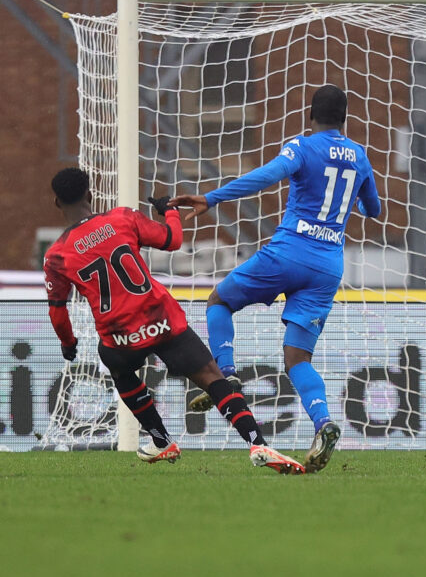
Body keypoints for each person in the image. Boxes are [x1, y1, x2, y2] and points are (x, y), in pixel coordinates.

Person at [170, 84, 381, 473]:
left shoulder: (302, 147)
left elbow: (266, 176)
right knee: (298, 358)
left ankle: (227, 375)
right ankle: (324, 422)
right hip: (327, 268)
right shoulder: (359, 156)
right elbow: (374, 209)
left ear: (310, 115)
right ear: (345, 118)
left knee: (219, 301)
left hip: (288, 253)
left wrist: (212, 198)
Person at [43, 167, 306, 474]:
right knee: (212, 377)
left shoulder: (56, 256)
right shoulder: (122, 218)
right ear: (90, 195)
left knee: (117, 365)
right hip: (161, 319)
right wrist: (168, 212)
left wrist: (68, 344)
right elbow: (172, 240)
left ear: (57, 203)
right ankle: (257, 443)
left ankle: (161, 440)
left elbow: (57, 311)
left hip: (120, 336)